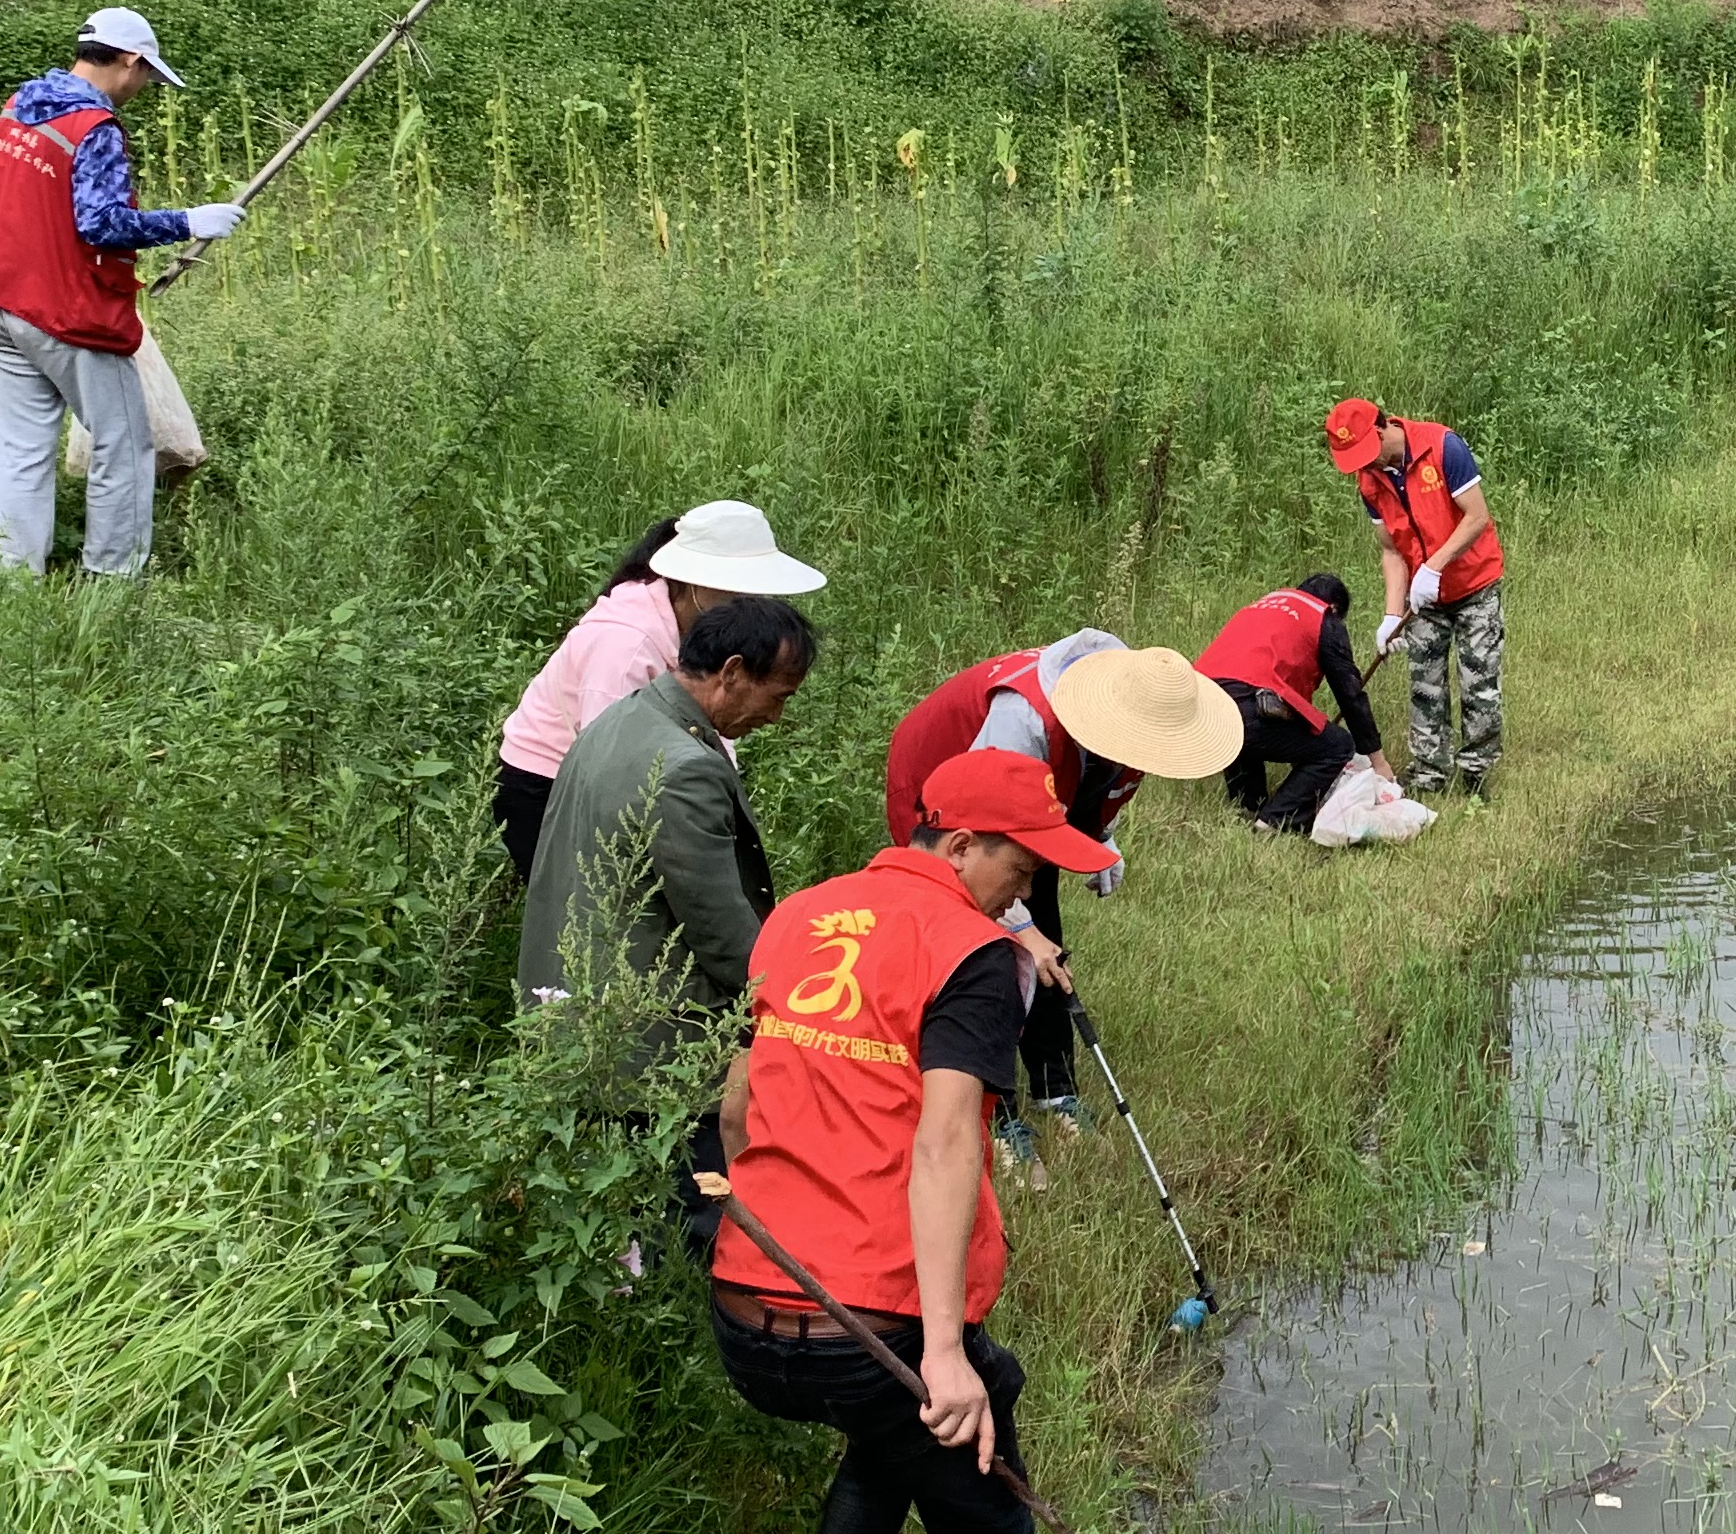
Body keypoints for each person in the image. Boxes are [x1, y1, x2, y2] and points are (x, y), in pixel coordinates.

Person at [703, 743, 1112, 1534]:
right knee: (988, 1532)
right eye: (1020, 867)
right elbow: (944, 1144)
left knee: (891, 1446)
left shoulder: (799, 916)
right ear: (962, 844)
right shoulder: (971, 952)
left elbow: (739, 1101)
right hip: (870, 1324)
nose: (1026, 890)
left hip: (749, 1302)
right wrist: (940, 1353)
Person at [520, 595, 816, 1254]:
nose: (776, 716)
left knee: (608, 1212)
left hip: (580, 1007)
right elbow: (720, 928)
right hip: (657, 1033)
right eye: (778, 695)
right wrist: (789, 1005)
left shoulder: (622, 720)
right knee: (693, 1218)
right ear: (731, 672)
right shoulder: (686, 770)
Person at [884, 633, 1239, 1163]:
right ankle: (994, 1113)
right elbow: (983, 833)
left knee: (1047, 947)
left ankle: (1054, 1090)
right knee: (983, 956)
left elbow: (1102, 782)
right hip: (947, 809)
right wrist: (1020, 930)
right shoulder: (1023, 718)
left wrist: (1101, 841)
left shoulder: (1132, 716)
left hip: (1024, 813)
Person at [0, 5, 243, 578]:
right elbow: (102, 225)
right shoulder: (94, 127)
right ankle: (112, 579)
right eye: (146, 74)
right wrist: (188, 221)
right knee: (123, 445)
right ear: (128, 59)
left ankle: (12, 582)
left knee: (21, 448)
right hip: (61, 312)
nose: (143, 87)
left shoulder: (22, 104)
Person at [493, 501, 827, 878]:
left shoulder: (692, 624)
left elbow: (706, 714)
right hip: (548, 786)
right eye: (741, 592)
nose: (751, 606)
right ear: (695, 580)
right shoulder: (625, 643)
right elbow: (608, 762)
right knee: (587, 900)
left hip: (608, 780)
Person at [1325, 396, 1506, 799]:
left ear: (1381, 428)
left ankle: (1476, 773)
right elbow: (1391, 551)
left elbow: (1477, 517)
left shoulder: (1442, 447)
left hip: (1474, 584)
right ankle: (1429, 773)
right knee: (1425, 685)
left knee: (1479, 683)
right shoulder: (1370, 481)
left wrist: (1434, 566)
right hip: (1423, 600)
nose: (1364, 465)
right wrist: (1392, 615)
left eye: (1365, 452)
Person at [1196, 571, 1393, 836]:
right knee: (1337, 746)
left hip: (1201, 706)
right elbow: (1350, 694)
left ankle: (1248, 806)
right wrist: (1378, 761)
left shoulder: (1260, 606)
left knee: (1246, 724)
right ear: (1334, 607)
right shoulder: (1322, 616)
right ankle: (1275, 820)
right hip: (1245, 707)